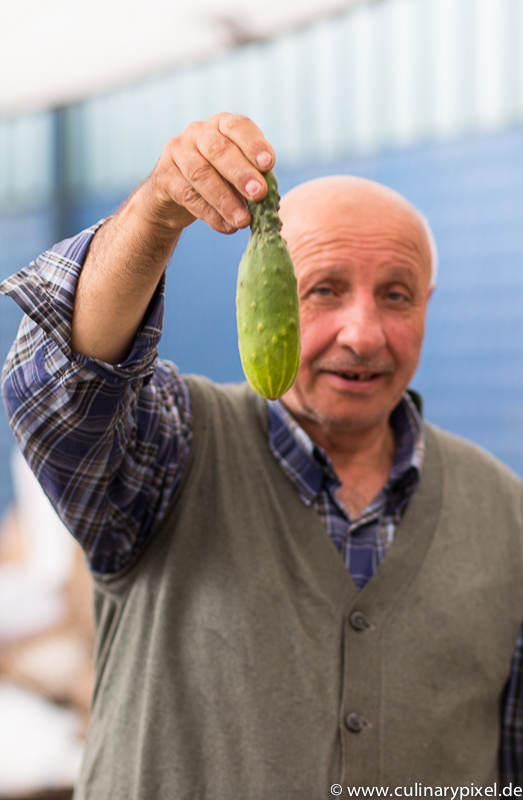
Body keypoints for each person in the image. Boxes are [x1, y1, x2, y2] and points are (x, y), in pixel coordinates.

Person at [1, 112, 523, 798]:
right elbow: (60, 386)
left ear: (425, 304)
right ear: (261, 295)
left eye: (394, 295)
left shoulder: (505, 512)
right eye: (323, 290)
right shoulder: (168, 450)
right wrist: (157, 211)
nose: (362, 334)